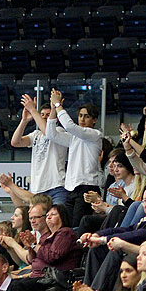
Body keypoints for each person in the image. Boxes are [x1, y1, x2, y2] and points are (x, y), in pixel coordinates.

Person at [81, 186, 146, 291]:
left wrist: (104, 240)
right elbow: (123, 230)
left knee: (116, 250)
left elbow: (137, 235)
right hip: (135, 253)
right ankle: (87, 287)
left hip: (145, 255)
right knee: (97, 249)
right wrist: (96, 235)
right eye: (145, 200)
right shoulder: (145, 220)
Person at [45, 89, 103, 229]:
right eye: (80, 116)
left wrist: (58, 104)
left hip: (87, 188)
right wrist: (54, 108)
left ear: (94, 120)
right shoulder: (74, 137)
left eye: (87, 116)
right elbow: (51, 134)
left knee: (79, 228)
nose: (82, 119)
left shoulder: (95, 134)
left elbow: (69, 126)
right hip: (71, 189)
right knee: (68, 228)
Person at [8, 96, 68, 206]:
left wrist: (33, 110)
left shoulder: (60, 131)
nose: (45, 118)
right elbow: (15, 142)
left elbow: (48, 131)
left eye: (48, 115)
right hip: (37, 189)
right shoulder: (36, 134)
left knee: (57, 219)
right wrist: (24, 121)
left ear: (56, 118)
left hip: (56, 187)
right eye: (42, 115)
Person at [10, 205, 81, 291]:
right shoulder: (46, 236)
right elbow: (32, 260)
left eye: (53, 214)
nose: (49, 217)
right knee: (11, 284)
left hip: (55, 279)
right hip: (39, 276)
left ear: (62, 216)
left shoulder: (65, 233)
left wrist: (34, 245)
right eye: (47, 215)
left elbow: (53, 256)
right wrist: (30, 247)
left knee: (18, 287)